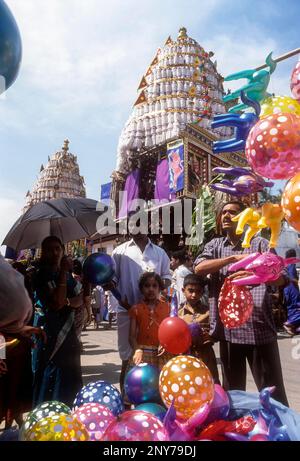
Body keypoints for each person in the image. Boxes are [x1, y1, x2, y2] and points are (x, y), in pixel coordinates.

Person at [194, 200, 289, 406]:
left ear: (246, 219)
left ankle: (282, 433)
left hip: (259, 329)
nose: (226, 216)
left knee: (273, 393)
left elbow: (281, 278)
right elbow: (199, 268)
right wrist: (232, 259)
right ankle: (234, 432)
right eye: (224, 213)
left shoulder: (260, 244)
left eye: (233, 213)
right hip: (228, 332)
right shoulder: (215, 246)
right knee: (233, 393)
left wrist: (259, 271)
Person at [110, 212, 172, 393]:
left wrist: (156, 284)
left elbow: (168, 277)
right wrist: (109, 283)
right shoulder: (119, 252)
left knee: (155, 354)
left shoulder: (160, 253)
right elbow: (113, 279)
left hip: (155, 313)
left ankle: (154, 397)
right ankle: (126, 399)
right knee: (127, 356)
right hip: (126, 311)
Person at [32, 236, 84, 407]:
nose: (55, 253)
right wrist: (63, 272)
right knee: (52, 377)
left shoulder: (68, 275)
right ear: (43, 252)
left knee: (70, 378)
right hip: (51, 334)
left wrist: (70, 301)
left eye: (58, 249)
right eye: (50, 249)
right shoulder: (41, 275)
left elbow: (80, 300)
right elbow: (56, 303)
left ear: (63, 251)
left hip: (69, 336)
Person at [0, 255, 45, 429]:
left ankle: (14, 417)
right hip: (4, 344)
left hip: (11, 343)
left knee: (13, 388)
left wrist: (22, 329)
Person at [178, 273, 220, 383]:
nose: (194, 295)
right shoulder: (178, 314)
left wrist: (211, 337)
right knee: (186, 385)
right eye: (190, 290)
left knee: (209, 385)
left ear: (202, 292)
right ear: (183, 290)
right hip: (185, 357)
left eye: (198, 291)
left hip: (206, 356)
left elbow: (218, 332)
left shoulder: (209, 312)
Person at [128, 272, 172, 370]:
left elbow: (171, 332)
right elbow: (131, 337)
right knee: (142, 382)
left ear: (159, 288)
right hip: (142, 353)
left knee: (160, 382)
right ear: (141, 289)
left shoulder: (167, 307)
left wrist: (166, 344)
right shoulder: (136, 309)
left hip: (162, 352)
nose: (151, 289)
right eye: (147, 286)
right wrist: (137, 350)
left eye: (154, 286)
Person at [283, 249, 300, 335]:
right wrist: (297, 282)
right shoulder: (291, 264)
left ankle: (294, 327)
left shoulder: (285, 265)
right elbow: (292, 278)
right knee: (296, 305)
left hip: (287, 289)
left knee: (292, 307)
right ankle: (289, 323)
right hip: (292, 288)